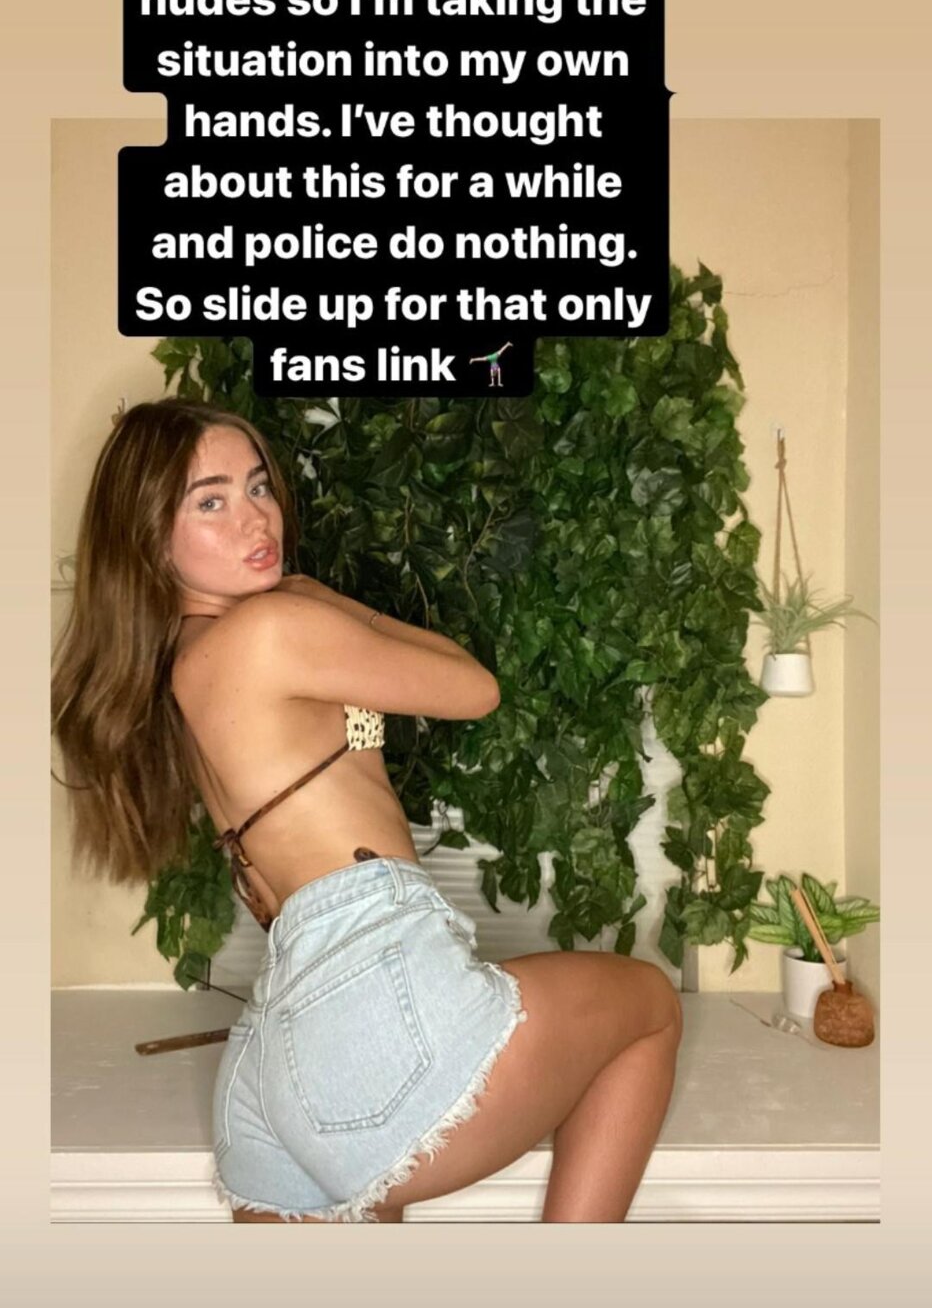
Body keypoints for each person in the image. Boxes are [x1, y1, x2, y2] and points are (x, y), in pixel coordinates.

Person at [52, 395, 682, 1224]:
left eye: (258, 486)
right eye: (210, 501)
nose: (255, 517)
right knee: (649, 1005)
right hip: (373, 1001)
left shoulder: (186, 663)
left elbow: (319, 783)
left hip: (272, 1066)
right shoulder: (275, 628)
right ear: (149, 537)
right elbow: (474, 688)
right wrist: (332, 601)